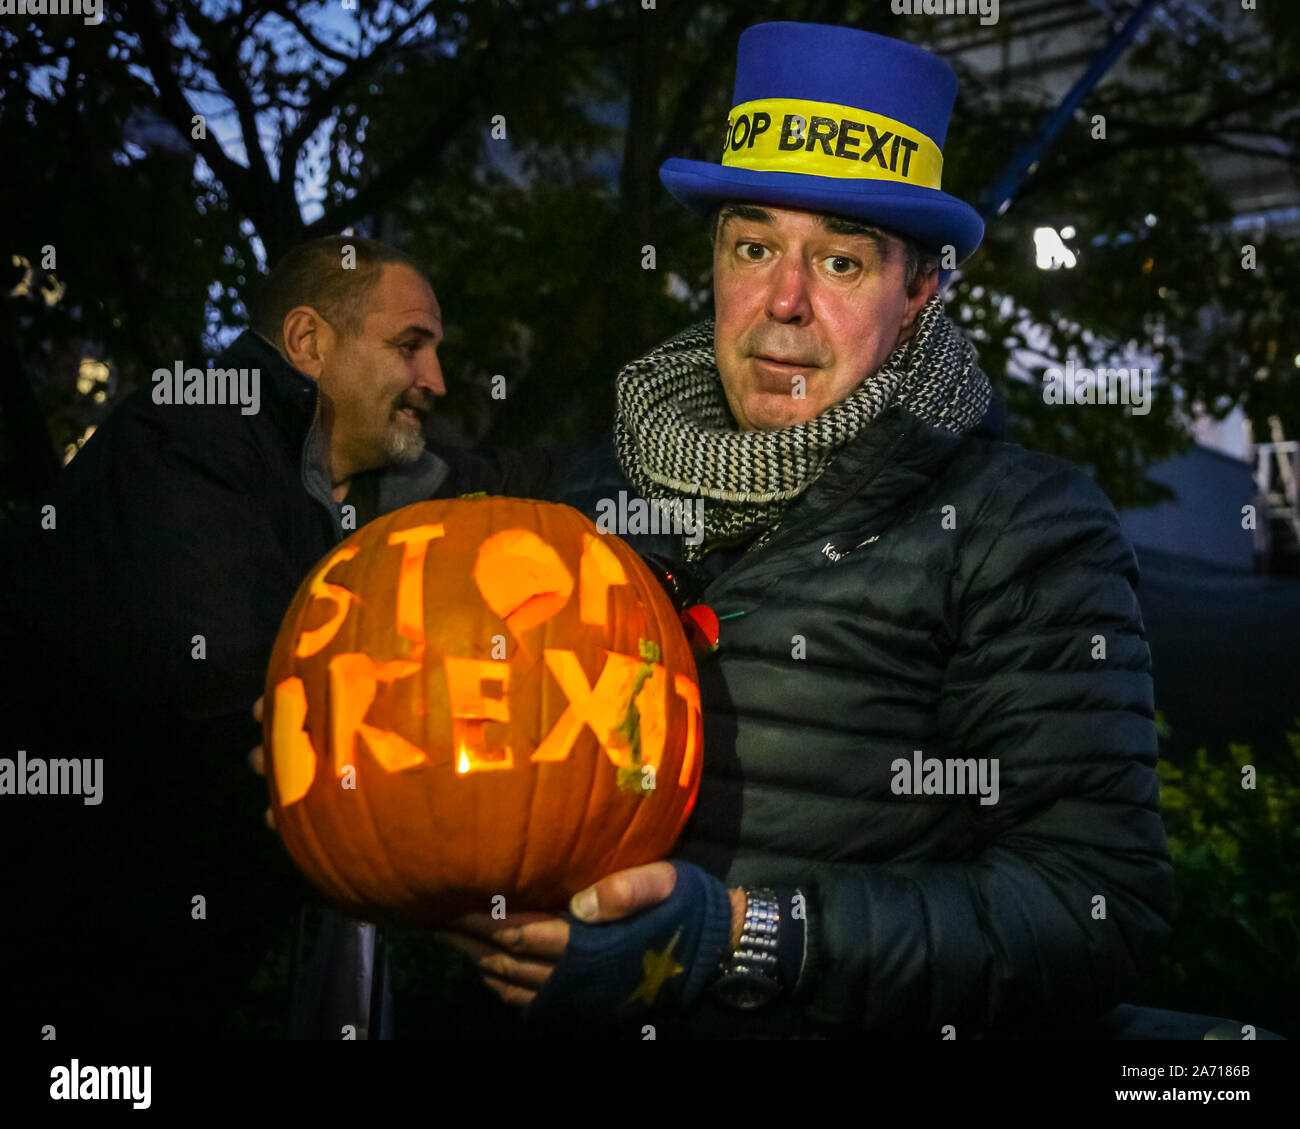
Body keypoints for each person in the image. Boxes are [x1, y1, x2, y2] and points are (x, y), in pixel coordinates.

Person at [431, 22, 1178, 1040]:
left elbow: (1096, 910)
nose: (783, 302)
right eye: (753, 246)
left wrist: (745, 936)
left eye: (839, 261)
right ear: (713, 259)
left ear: (917, 293)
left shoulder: (1020, 526)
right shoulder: (587, 495)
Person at [0, 234, 556, 1038]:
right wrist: (432, 863)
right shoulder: (187, 435)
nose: (434, 380)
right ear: (306, 343)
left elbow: (531, 483)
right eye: (410, 346)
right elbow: (237, 688)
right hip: (56, 952)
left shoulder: (380, 482)